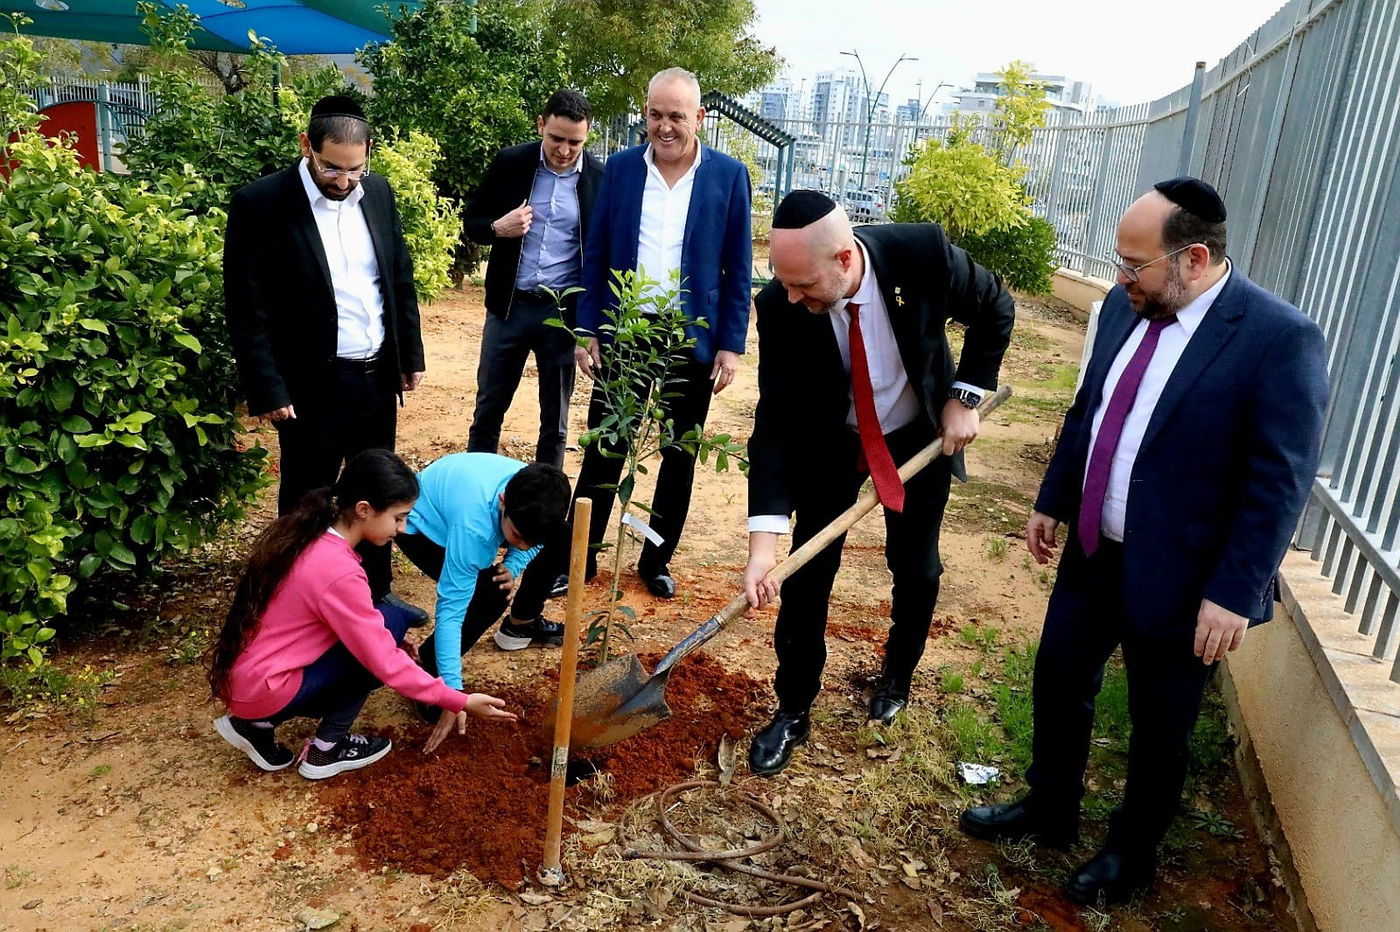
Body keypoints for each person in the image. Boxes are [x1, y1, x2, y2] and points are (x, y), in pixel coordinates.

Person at [959, 178, 1329, 904]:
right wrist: (1055, 499)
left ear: (1193, 259)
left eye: (1135, 265)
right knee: (1060, 678)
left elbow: (1280, 480)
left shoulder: (1277, 339)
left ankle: (1130, 855)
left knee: (1161, 723)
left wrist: (1232, 591)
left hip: (1187, 576)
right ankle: (1049, 808)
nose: (1120, 277)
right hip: (1097, 547)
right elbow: (1091, 408)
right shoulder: (1127, 310)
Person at [742, 190, 1015, 776]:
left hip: (918, 431)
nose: (792, 297)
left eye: (803, 285)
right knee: (807, 572)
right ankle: (792, 708)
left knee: (915, 565)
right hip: (832, 439)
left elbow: (995, 306)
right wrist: (761, 547)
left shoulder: (922, 253)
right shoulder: (781, 304)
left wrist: (966, 397)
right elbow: (776, 424)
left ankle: (897, 675)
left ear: (844, 260)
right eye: (783, 283)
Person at [507, 66, 752, 618]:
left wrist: (730, 344)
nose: (664, 127)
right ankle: (584, 557)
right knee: (604, 448)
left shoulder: (728, 177)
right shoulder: (618, 170)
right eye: (656, 115)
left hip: (690, 341)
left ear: (699, 118)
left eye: (677, 117)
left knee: (678, 452)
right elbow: (595, 256)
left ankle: (654, 560)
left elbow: (739, 269)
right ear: (646, 112)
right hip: (626, 332)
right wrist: (589, 328)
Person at [224, 95, 425, 605]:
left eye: (355, 169)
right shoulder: (261, 204)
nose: (343, 181)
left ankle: (373, 598)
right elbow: (246, 308)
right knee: (308, 497)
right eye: (330, 167)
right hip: (310, 384)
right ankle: (295, 598)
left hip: (376, 377)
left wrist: (410, 355)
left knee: (377, 494)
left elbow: (398, 279)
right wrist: (267, 386)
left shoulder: (377, 193)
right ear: (306, 147)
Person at [208, 450, 517, 781]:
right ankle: (326, 749)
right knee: (390, 627)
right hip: (267, 687)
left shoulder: (311, 534)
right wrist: (458, 699)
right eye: (398, 517)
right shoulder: (338, 570)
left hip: (248, 679)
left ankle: (255, 725)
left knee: (390, 625)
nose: (402, 528)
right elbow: (382, 661)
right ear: (364, 510)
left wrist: (389, 639)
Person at [463, 89, 604, 468]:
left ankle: (546, 509)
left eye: (575, 142)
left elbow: (603, 254)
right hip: (509, 308)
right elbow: (472, 222)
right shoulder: (512, 163)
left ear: (587, 136)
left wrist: (589, 323)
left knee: (554, 423)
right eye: (556, 138)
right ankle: (474, 493)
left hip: (561, 315)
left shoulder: (598, 179)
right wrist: (498, 227)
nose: (563, 150)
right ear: (541, 125)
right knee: (488, 410)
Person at [394, 454, 571, 712]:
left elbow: (532, 541)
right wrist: (453, 692)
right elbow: (451, 612)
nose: (522, 545)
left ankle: (522, 624)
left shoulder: (539, 492)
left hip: (468, 509)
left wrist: (513, 565)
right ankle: (430, 674)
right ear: (503, 502)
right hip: (424, 526)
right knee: (490, 595)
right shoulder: (474, 530)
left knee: (563, 536)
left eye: (532, 541)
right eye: (518, 536)